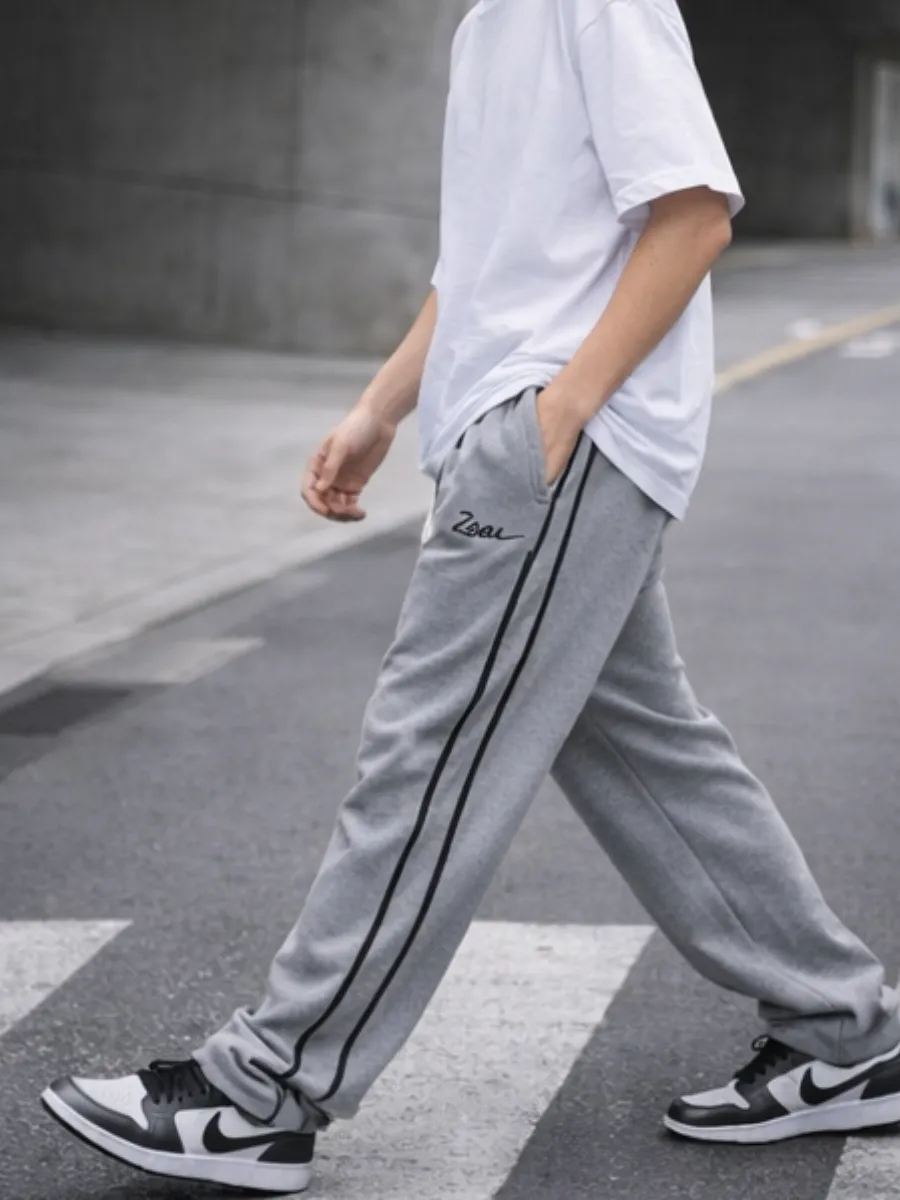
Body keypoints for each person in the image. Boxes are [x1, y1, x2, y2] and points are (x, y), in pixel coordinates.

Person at [42, 0, 900, 1192]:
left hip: (560, 444)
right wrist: (383, 408)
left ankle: (264, 1089)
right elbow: (485, 267)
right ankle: (847, 1031)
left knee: (429, 749)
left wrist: (559, 415)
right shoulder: (489, 21)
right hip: (520, 436)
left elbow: (694, 214)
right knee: (644, 747)